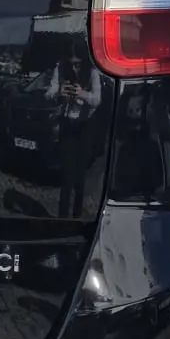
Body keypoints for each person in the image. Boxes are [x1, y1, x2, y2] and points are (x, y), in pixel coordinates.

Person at [50, 53, 102, 218]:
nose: (74, 68)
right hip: (67, 124)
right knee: (67, 173)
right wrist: (59, 93)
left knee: (81, 174)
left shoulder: (92, 72)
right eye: (71, 64)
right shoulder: (60, 68)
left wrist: (82, 94)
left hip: (85, 125)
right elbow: (48, 93)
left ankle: (77, 215)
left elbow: (97, 99)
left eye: (78, 65)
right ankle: (62, 217)